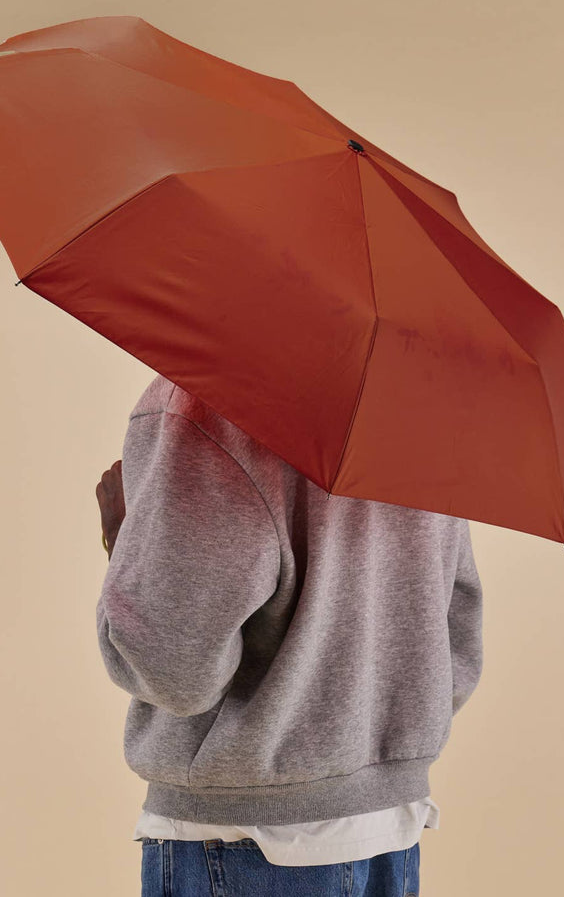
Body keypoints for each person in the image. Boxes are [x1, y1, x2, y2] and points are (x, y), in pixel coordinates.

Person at [95, 374, 484, 896]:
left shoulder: (208, 404)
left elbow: (172, 668)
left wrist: (129, 549)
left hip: (244, 840)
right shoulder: (419, 410)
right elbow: (453, 635)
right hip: (390, 830)